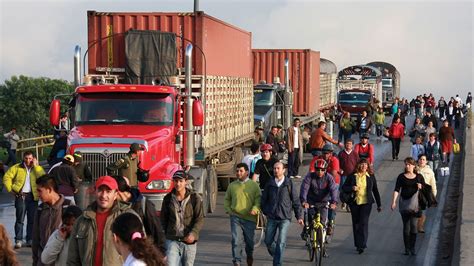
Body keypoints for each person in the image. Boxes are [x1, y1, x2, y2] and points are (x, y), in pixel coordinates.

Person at [67, 175, 136, 265]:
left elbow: (140, 253)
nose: (104, 195)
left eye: (108, 191)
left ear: (115, 194)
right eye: (100, 190)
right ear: (95, 191)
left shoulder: (129, 218)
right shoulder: (82, 220)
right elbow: (72, 258)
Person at [112, 175, 167, 255]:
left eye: (110, 191)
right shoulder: (114, 206)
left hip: (142, 253)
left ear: (118, 192)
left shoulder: (144, 204)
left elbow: (156, 229)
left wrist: (161, 253)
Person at [262, 162, 303, 266]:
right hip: (271, 217)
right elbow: (264, 199)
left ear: (283, 170)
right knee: (268, 241)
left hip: (285, 218)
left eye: (278, 168)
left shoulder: (289, 183)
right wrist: (266, 210)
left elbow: (295, 200)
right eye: (274, 168)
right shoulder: (270, 183)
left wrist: (299, 216)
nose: (276, 170)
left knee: (281, 242)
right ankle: (278, 255)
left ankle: (277, 263)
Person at [2, 151, 45, 249]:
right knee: (19, 219)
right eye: (26, 158)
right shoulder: (17, 167)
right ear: (23, 158)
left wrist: (37, 167)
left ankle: (30, 239)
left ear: (33, 159)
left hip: (33, 197)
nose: (28, 160)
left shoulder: (37, 168)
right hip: (21, 196)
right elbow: (6, 177)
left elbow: (43, 178)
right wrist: (11, 189)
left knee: (32, 220)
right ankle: (18, 240)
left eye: (30, 158)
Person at [161, 170, 204, 266]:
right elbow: (163, 219)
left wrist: (193, 233)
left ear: (186, 181)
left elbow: (199, 218)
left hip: (189, 242)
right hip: (172, 241)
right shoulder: (168, 199)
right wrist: (165, 234)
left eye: (181, 181)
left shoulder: (194, 198)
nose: (178, 184)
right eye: (175, 181)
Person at [341, 159, 381, 254]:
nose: (364, 166)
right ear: (358, 165)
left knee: (363, 222)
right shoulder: (352, 176)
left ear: (368, 166)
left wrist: (379, 204)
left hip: (367, 203)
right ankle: (358, 244)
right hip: (354, 203)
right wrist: (352, 188)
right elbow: (344, 188)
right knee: (356, 224)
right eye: (362, 164)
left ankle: (362, 244)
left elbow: (375, 190)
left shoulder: (370, 176)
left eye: (365, 165)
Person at [224, 163, 260, 266]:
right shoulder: (232, 185)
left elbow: (258, 200)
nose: (238, 173)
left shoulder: (254, 186)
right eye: (237, 171)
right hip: (236, 218)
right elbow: (227, 199)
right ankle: (237, 261)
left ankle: (249, 256)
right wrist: (229, 210)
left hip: (250, 219)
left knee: (249, 243)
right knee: (236, 240)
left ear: (247, 172)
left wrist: (255, 209)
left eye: (241, 171)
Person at [33, 174, 73, 266]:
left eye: (40, 191)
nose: (38, 194)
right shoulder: (40, 209)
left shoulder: (68, 206)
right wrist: (35, 262)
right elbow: (36, 239)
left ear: (49, 190)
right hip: (43, 261)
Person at [299, 158, 338, 253]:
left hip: (324, 202)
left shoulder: (329, 178)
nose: (320, 172)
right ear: (315, 169)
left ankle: (323, 244)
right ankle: (306, 231)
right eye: (317, 169)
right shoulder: (309, 177)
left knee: (323, 223)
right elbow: (304, 189)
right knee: (309, 217)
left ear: (325, 170)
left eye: (322, 170)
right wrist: (304, 201)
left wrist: (334, 202)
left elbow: (334, 190)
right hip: (311, 201)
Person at [390, 157, 426, 256]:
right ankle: (407, 248)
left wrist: (421, 187)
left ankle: (412, 247)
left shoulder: (419, 177)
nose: (407, 166)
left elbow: (425, 189)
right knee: (406, 227)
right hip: (404, 204)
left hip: (415, 205)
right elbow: (397, 189)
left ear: (414, 166)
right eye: (406, 164)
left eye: (409, 164)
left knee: (414, 227)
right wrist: (394, 202)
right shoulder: (401, 177)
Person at [309, 144, 341, 234]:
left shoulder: (334, 160)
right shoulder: (317, 159)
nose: (325, 155)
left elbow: (334, 174)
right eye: (324, 153)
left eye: (327, 153)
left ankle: (330, 222)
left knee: (331, 204)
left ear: (331, 153)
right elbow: (311, 171)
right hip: (319, 182)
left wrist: (328, 188)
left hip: (333, 183)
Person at [416, 155, 437, 233]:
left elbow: (433, 184)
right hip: (415, 193)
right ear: (418, 160)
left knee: (422, 210)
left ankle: (420, 226)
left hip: (425, 194)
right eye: (420, 159)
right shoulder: (415, 170)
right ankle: (415, 224)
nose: (422, 161)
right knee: (414, 210)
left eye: (423, 159)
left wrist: (433, 196)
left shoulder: (430, 171)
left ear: (426, 161)